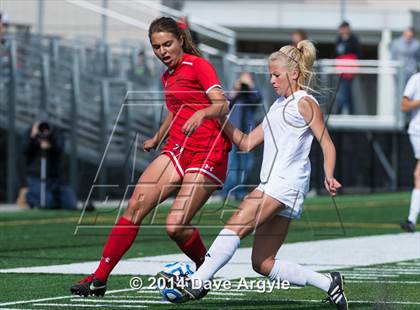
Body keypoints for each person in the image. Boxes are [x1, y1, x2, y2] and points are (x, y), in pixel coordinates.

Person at [159, 40, 348, 309]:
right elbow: (246, 143)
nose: (271, 80)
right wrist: (217, 115)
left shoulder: (304, 102)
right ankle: (329, 284)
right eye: (270, 75)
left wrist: (328, 174)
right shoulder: (276, 107)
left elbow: (326, 142)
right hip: (279, 186)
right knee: (263, 262)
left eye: (276, 75)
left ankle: (198, 281)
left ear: (294, 74)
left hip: (285, 183)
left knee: (237, 222)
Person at [70, 16, 231, 297]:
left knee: (174, 225)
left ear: (180, 40)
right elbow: (176, 108)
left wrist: (202, 113)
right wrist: (158, 136)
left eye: (167, 44)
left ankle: (203, 270)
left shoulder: (199, 66)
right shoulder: (167, 76)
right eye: (156, 47)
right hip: (179, 147)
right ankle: (99, 278)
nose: (162, 52)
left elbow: (222, 104)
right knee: (135, 207)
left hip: (209, 150)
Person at [222, 72, 262, 200]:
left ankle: (240, 191)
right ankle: (227, 191)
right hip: (233, 133)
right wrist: (236, 88)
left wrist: (250, 84)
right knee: (232, 164)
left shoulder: (251, 94)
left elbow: (258, 98)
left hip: (248, 133)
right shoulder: (236, 93)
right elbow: (226, 102)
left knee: (246, 164)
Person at [22, 120, 77, 210]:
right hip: (36, 176)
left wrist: (50, 145)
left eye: (45, 128)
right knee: (47, 204)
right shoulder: (30, 132)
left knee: (71, 205)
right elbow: (24, 150)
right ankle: (29, 197)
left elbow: (60, 148)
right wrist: (32, 136)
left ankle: (56, 200)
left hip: (55, 177)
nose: (43, 131)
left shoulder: (56, 132)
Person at [400, 72, 420, 233]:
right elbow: (404, 106)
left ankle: (411, 219)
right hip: (417, 132)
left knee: (418, 174)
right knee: (419, 175)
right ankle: (411, 219)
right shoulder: (415, 79)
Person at [333, 21, 361, 115]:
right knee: (343, 93)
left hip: (349, 71)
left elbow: (357, 54)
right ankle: (341, 112)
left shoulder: (353, 39)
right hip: (340, 70)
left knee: (346, 93)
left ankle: (347, 113)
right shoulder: (338, 40)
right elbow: (336, 53)